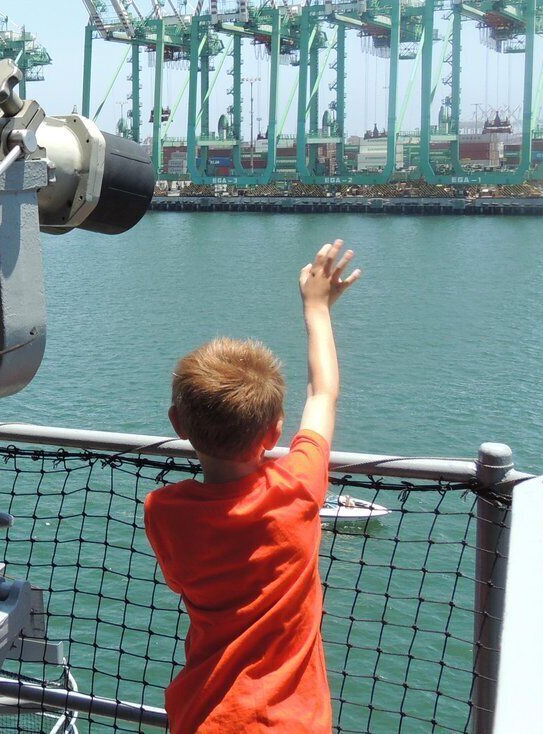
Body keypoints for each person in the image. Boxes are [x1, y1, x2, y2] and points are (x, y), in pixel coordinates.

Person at [143, 239, 361, 733]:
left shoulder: (164, 510)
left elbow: (182, 580)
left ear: (178, 424)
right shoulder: (299, 489)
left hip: (204, 716)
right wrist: (316, 306)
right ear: (275, 431)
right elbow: (322, 394)